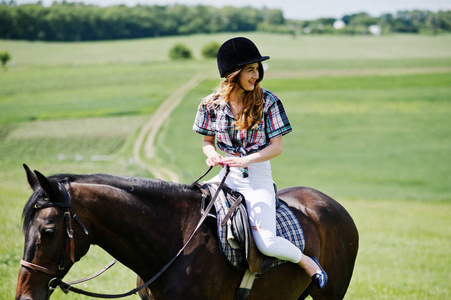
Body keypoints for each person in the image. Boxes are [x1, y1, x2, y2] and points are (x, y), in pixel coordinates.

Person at [192, 37, 327, 290]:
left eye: (257, 69)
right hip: (225, 175)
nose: (256, 75)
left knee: (266, 242)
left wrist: (245, 160)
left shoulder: (269, 101)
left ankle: (308, 263)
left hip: (256, 177)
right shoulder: (209, 104)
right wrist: (211, 155)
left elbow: (276, 147)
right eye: (250, 70)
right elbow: (207, 141)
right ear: (233, 74)